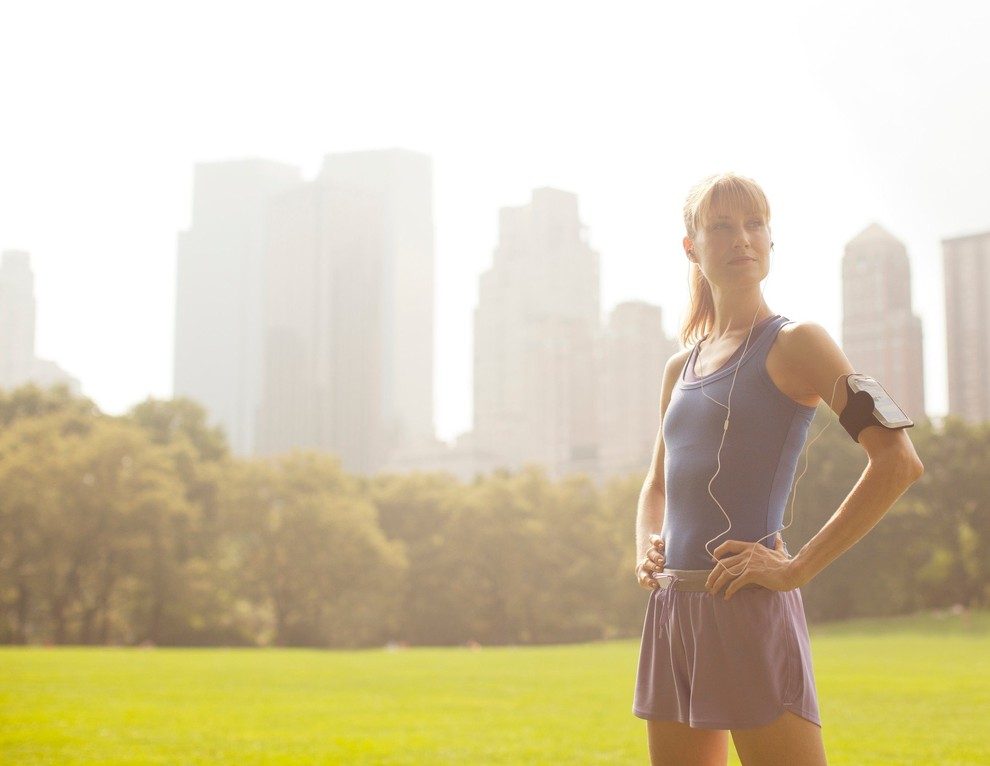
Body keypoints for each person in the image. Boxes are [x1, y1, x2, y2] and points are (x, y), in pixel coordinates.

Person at [632, 172, 924, 766]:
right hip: (672, 615)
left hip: (748, 606)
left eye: (754, 224)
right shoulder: (677, 369)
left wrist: (795, 568)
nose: (743, 238)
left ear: (770, 240)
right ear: (690, 246)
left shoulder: (799, 343)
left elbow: (899, 461)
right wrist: (645, 546)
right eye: (722, 226)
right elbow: (657, 484)